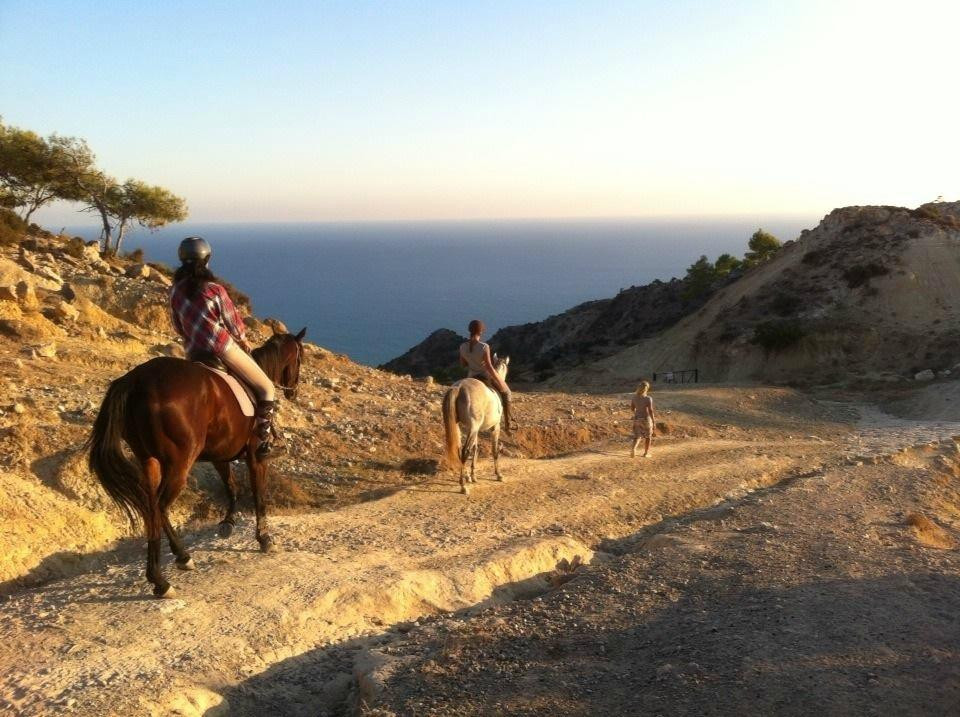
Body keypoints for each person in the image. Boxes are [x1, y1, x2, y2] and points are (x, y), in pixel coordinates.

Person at [169, 236, 277, 457]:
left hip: (193, 352)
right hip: (221, 349)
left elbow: (178, 326)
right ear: (207, 259)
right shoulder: (215, 290)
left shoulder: (175, 291)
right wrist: (243, 340)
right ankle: (263, 442)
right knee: (267, 388)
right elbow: (234, 324)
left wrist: (192, 337)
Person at [458, 319, 516, 433]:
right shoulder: (484, 347)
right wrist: (500, 380)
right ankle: (508, 424)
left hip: (470, 377)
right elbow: (489, 367)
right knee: (506, 393)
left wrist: (471, 360)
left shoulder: (462, 346)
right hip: (484, 377)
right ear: (481, 332)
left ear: (469, 331)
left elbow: (463, 364)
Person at [630, 380, 656, 458]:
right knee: (648, 436)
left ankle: (633, 449)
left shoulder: (634, 398)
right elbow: (651, 411)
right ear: (647, 389)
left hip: (637, 418)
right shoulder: (648, 398)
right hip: (646, 418)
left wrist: (636, 413)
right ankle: (646, 453)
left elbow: (632, 408)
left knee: (637, 436)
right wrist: (654, 422)